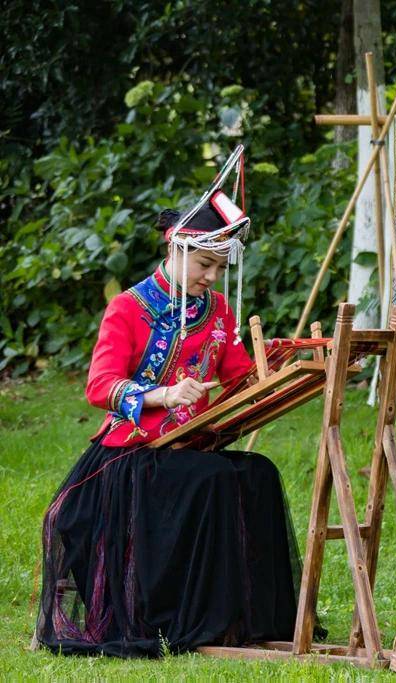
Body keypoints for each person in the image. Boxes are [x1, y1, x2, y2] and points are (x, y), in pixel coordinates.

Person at [34, 147, 300, 657]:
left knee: (259, 473)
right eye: (205, 264)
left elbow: (239, 375)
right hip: (132, 459)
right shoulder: (128, 308)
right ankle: (194, 618)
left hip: (188, 450)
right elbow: (99, 386)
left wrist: (280, 373)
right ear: (175, 251)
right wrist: (164, 394)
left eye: (220, 267)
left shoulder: (218, 310)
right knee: (216, 479)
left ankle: (246, 621)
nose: (212, 277)